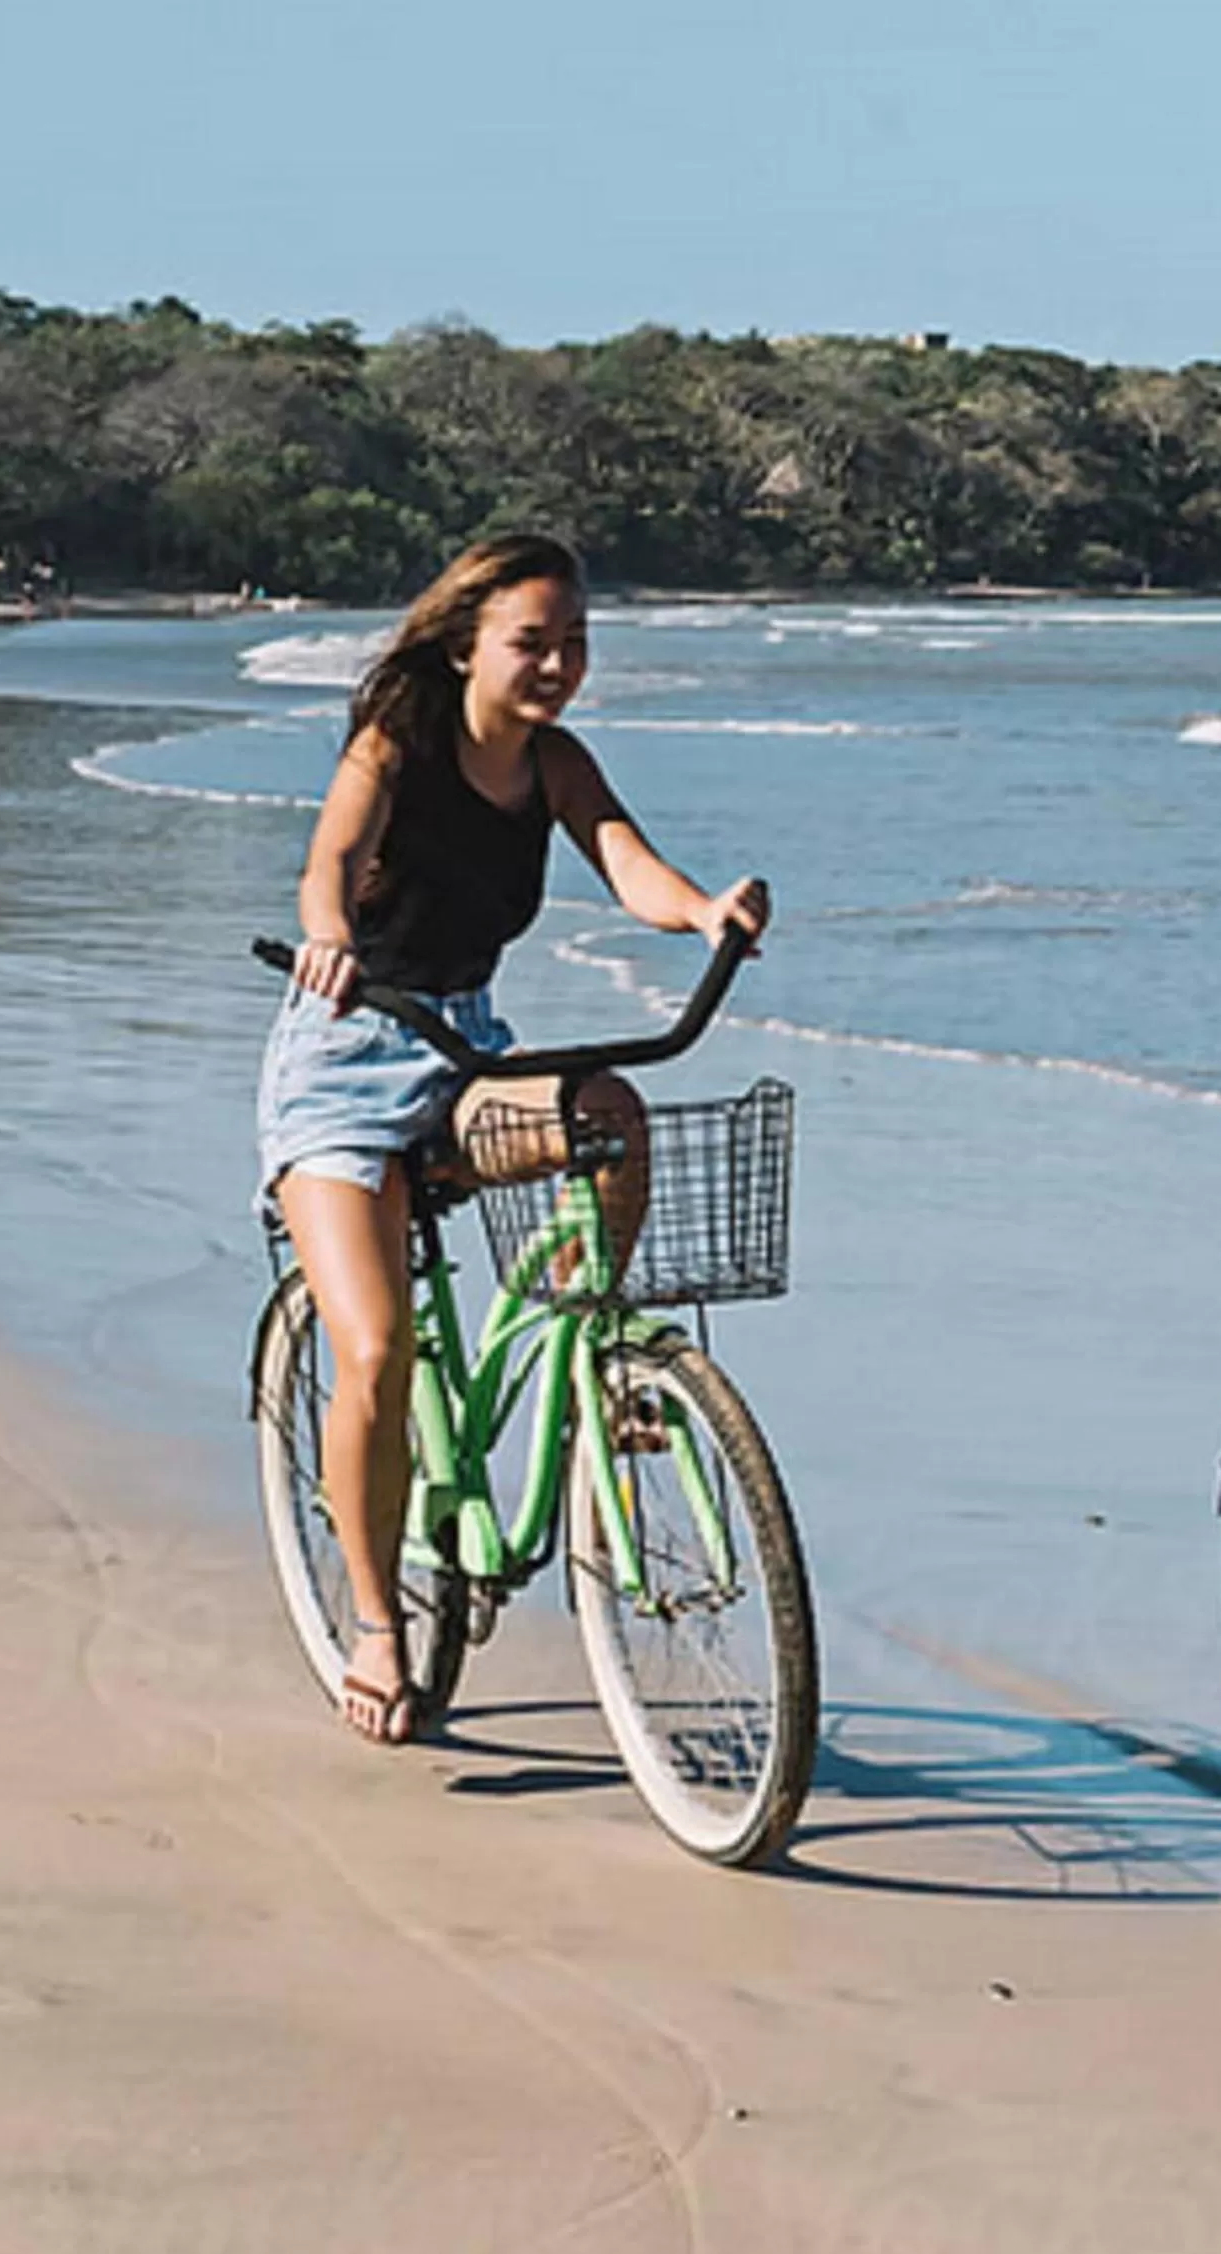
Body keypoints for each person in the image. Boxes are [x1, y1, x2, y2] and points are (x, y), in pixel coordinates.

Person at [257, 534, 768, 1745]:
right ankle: (379, 1624)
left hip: (464, 1052)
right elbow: (328, 861)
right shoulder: (398, 740)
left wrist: (701, 911)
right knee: (375, 1349)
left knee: (609, 1118)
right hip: (343, 1058)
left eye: (573, 643)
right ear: (467, 643)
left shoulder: (553, 762)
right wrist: (328, 932)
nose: (555, 665)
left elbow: (622, 859)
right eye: (531, 642)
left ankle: (596, 1346)